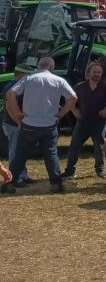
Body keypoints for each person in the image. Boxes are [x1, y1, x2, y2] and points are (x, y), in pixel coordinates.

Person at [4, 58, 77, 193]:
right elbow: (73, 98)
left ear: (38, 67)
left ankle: (9, 183)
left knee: (20, 154)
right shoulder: (59, 80)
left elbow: (10, 93)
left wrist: (17, 113)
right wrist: (61, 114)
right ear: (52, 68)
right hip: (49, 124)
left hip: (29, 123)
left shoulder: (28, 79)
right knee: (51, 155)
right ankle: (56, 184)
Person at [63, 61, 106, 180]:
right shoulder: (80, 86)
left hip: (99, 122)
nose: (97, 74)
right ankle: (69, 171)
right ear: (88, 73)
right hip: (83, 122)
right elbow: (69, 97)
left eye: (99, 72)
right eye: (94, 72)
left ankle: (100, 170)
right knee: (74, 146)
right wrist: (74, 110)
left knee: (99, 148)